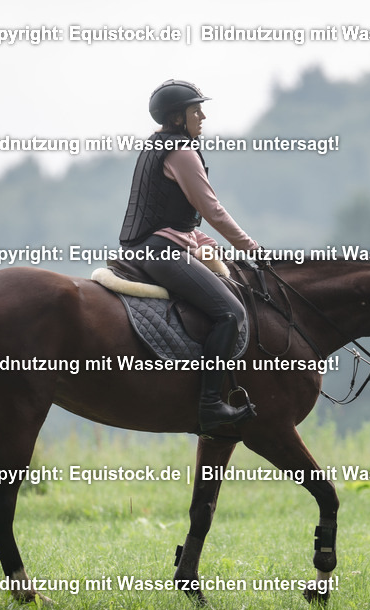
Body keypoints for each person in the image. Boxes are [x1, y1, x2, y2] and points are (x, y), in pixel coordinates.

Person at [119, 79, 259, 432]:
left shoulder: (156, 147)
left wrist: (203, 242)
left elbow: (174, 218)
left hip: (150, 247)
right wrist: (250, 248)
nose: (203, 116)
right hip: (161, 253)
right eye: (196, 110)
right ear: (178, 118)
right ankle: (210, 404)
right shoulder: (182, 151)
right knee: (230, 312)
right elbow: (212, 209)